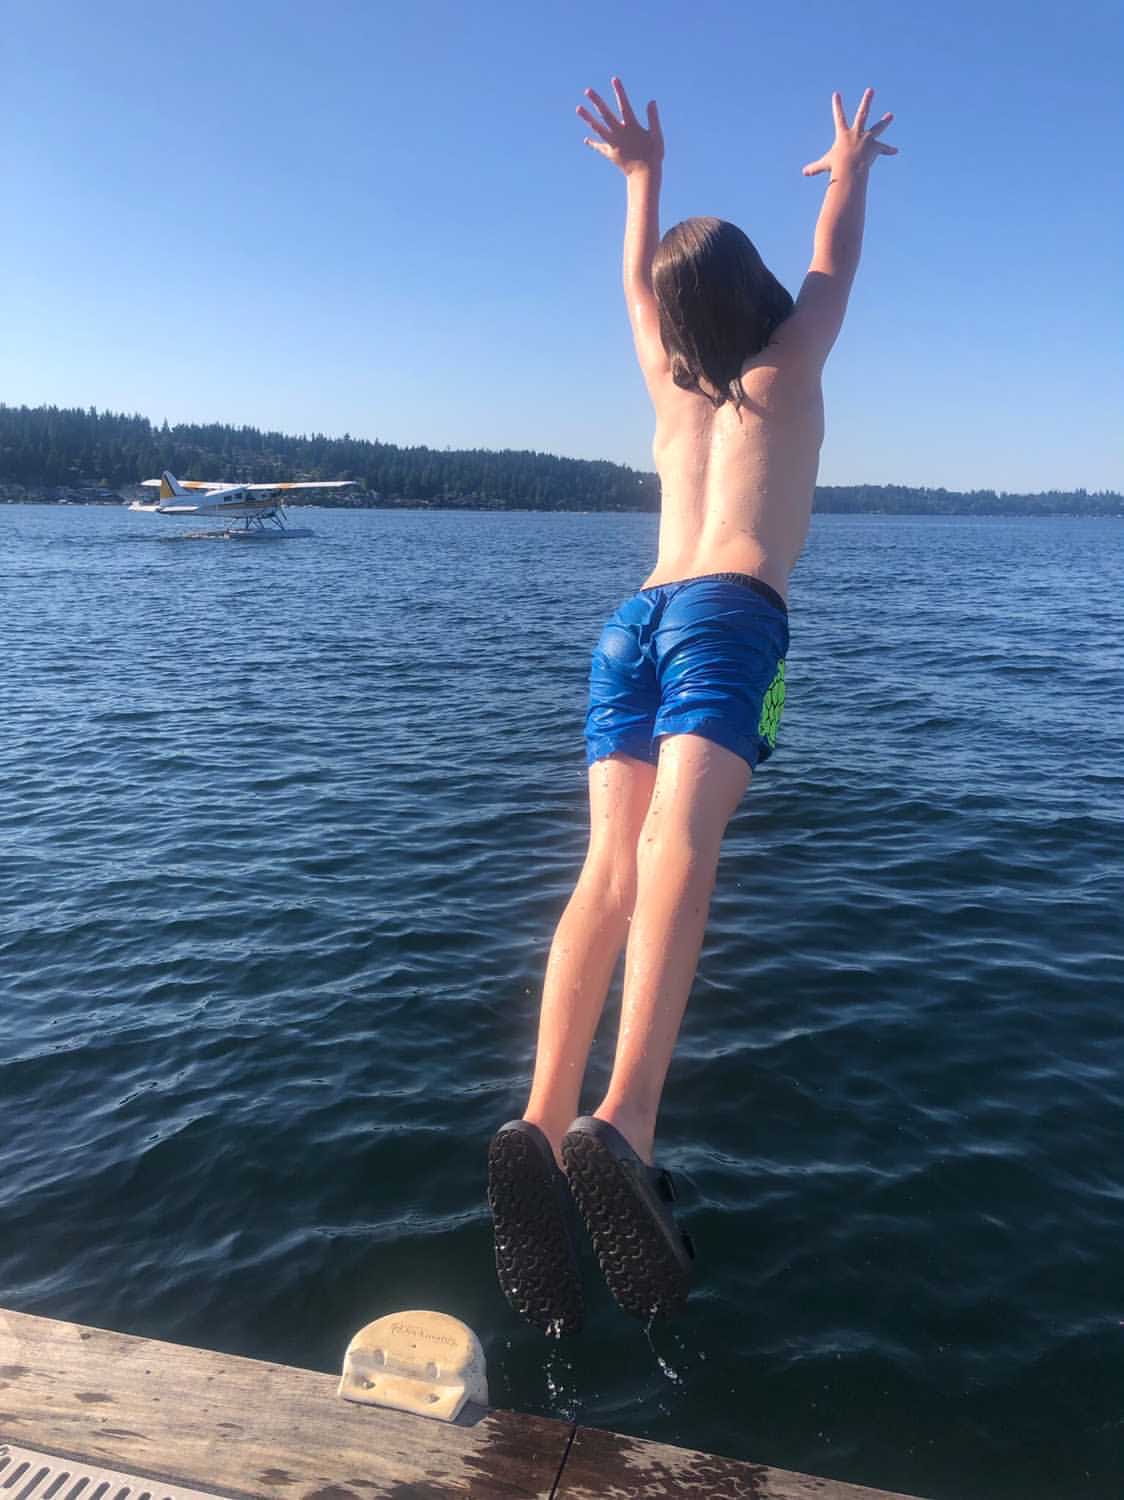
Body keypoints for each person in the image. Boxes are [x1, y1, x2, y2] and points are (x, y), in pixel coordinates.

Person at [488, 79, 897, 1333]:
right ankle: (627, 1116)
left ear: (677, 318)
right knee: (683, 840)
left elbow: (630, 289)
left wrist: (635, 182)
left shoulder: (671, 390)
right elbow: (833, 262)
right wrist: (848, 169)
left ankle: (541, 1115)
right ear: (753, 293)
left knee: (604, 864)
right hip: (726, 610)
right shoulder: (789, 356)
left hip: (632, 619)